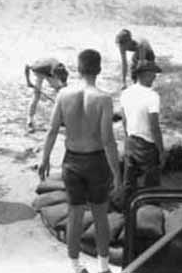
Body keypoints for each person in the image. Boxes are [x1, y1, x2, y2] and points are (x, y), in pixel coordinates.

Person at [38, 49, 122, 273]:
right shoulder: (103, 99)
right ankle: (104, 267)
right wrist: (117, 173)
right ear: (99, 69)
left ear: (78, 68)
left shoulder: (64, 94)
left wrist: (44, 158)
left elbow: (53, 129)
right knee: (100, 215)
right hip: (95, 161)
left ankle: (75, 266)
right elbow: (108, 141)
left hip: (72, 161)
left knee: (74, 214)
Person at [120, 59, 164, 211]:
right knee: (151, 183)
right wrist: (161, 150)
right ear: (144, 74)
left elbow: (124, 120)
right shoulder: (152, 96)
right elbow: (154, 126)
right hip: (147, 145)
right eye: (153, 74)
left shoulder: (126, 93)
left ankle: (125, 210)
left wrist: (128, 138)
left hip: (131, 140)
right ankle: (150, 212)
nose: (154, 77)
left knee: (129, 181)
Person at [25, 57, 68, 131]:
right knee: (36, 96)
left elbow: (64, 86)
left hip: (50, 70)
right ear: (53, 74)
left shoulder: (63, 71)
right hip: (40, 72)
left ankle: (62, 119)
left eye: (58, 78)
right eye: (56, 77)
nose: (57, 79)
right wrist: (28, 81)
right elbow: (27, 66)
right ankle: (30, 120)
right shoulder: (38, 67)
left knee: (61, 92)